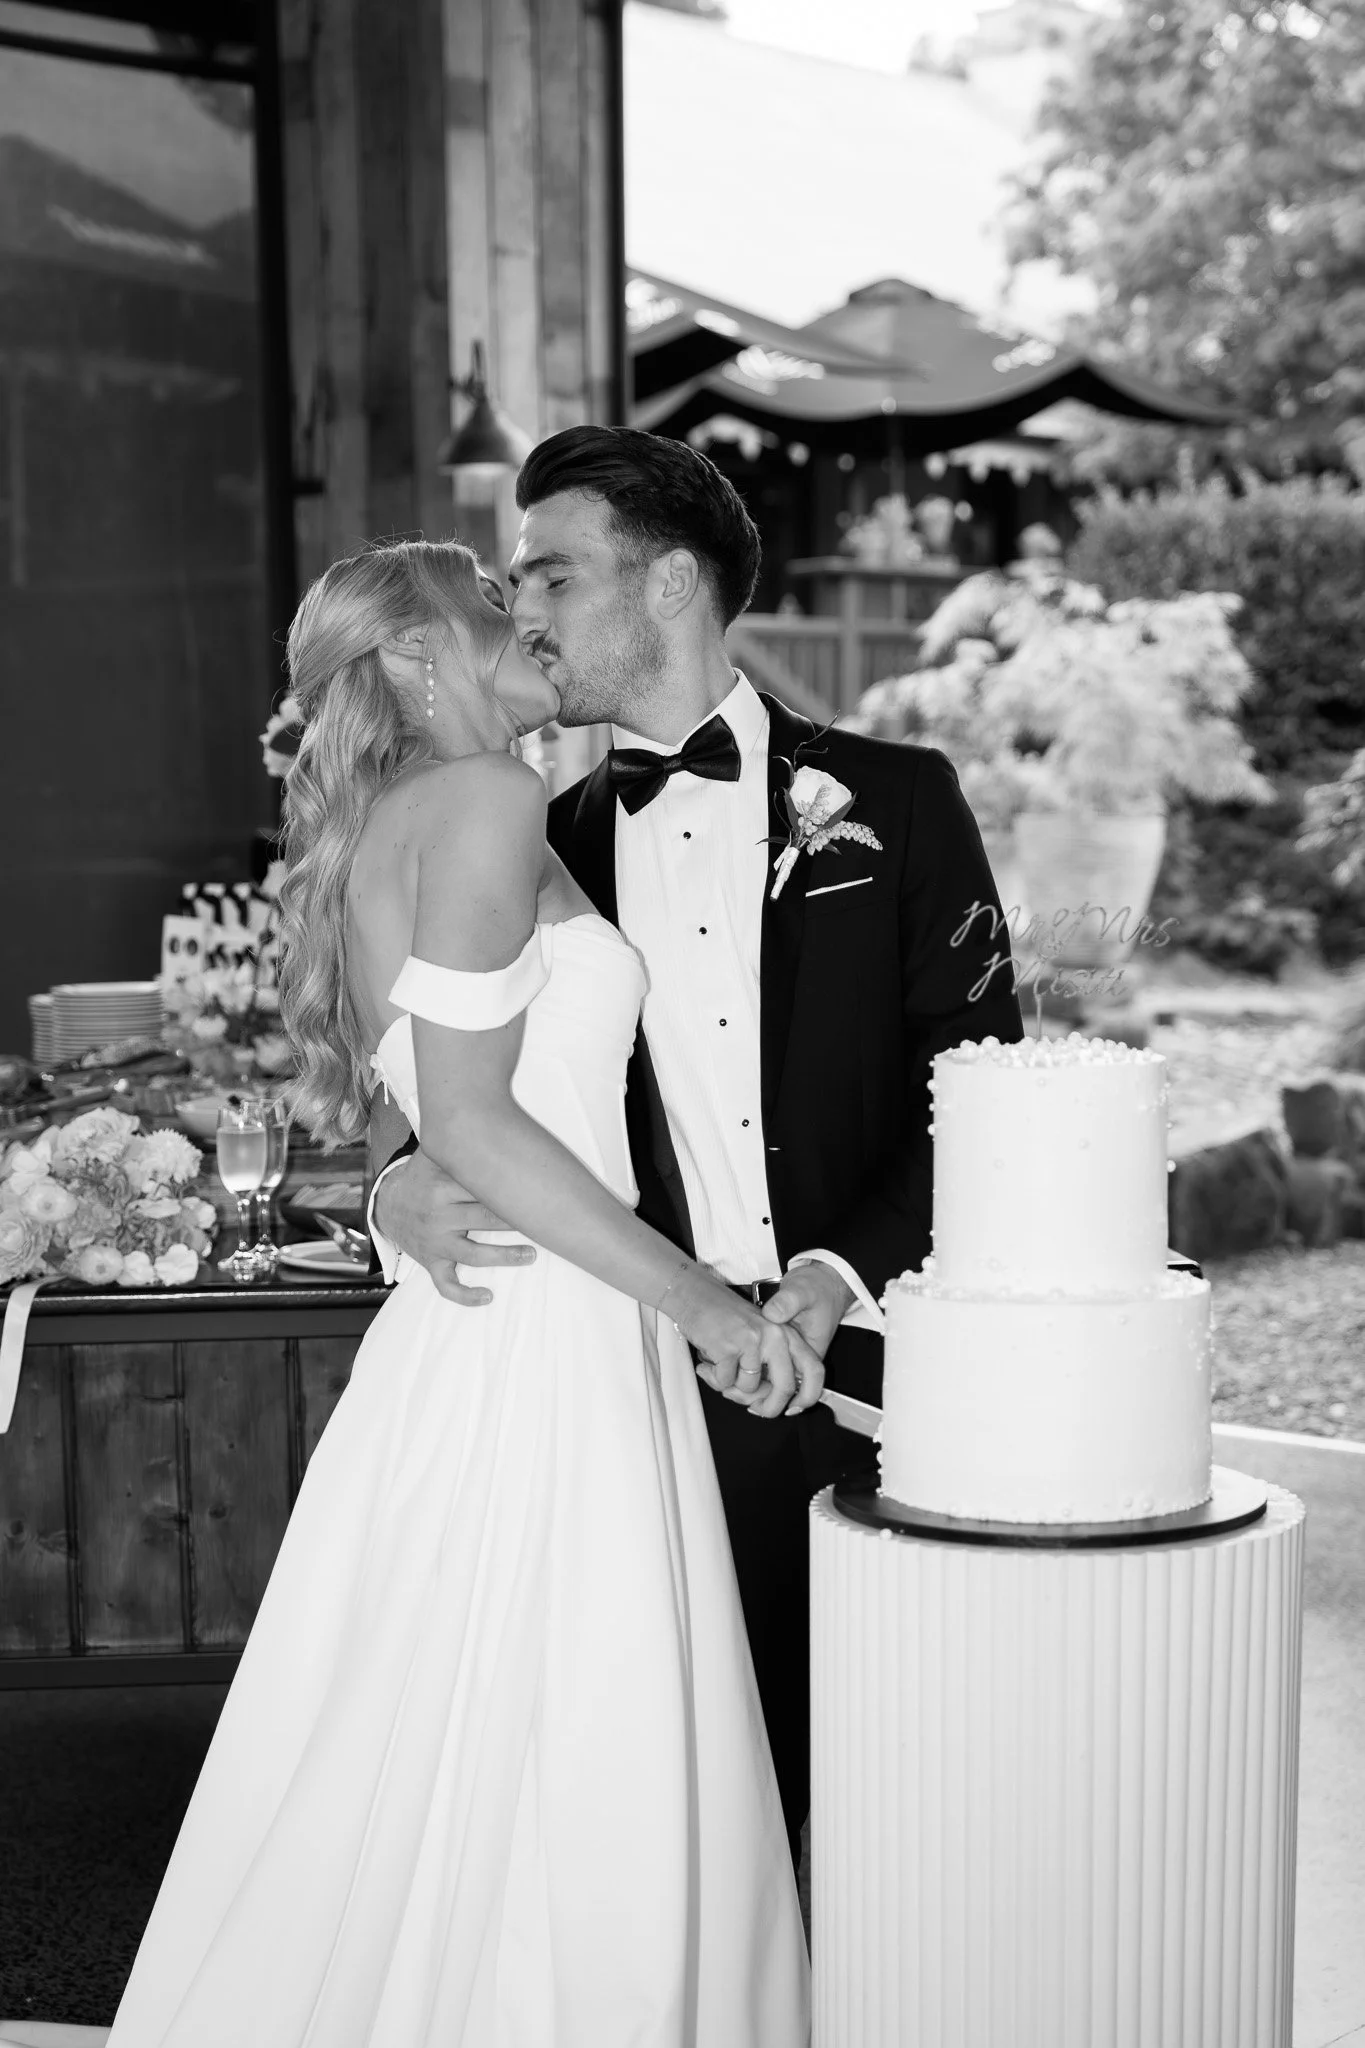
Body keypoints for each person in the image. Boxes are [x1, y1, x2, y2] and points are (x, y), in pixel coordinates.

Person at [103, 537, 814, 2045]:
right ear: (418, 659)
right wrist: (705, 1305)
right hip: (545, 1330)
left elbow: (410, 1115)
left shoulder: (408, 819)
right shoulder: (488, 798)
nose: (529, 616)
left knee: (446, 1726)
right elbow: (474, 1128)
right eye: (495, 601)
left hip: (497, 1317)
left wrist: (395, 1189)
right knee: (564, 1722)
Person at [371, 427, 1025, 1876]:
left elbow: (979, 1086)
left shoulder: (900, 798)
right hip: (635, 1373)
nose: (523, 610)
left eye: (553, 574)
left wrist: (833, 1277)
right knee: (666, 1817)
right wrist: (393, 1185)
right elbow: (450, 1085)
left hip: (865, 1367)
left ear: (668, 585)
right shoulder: (537, 837)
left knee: (901, 1801)